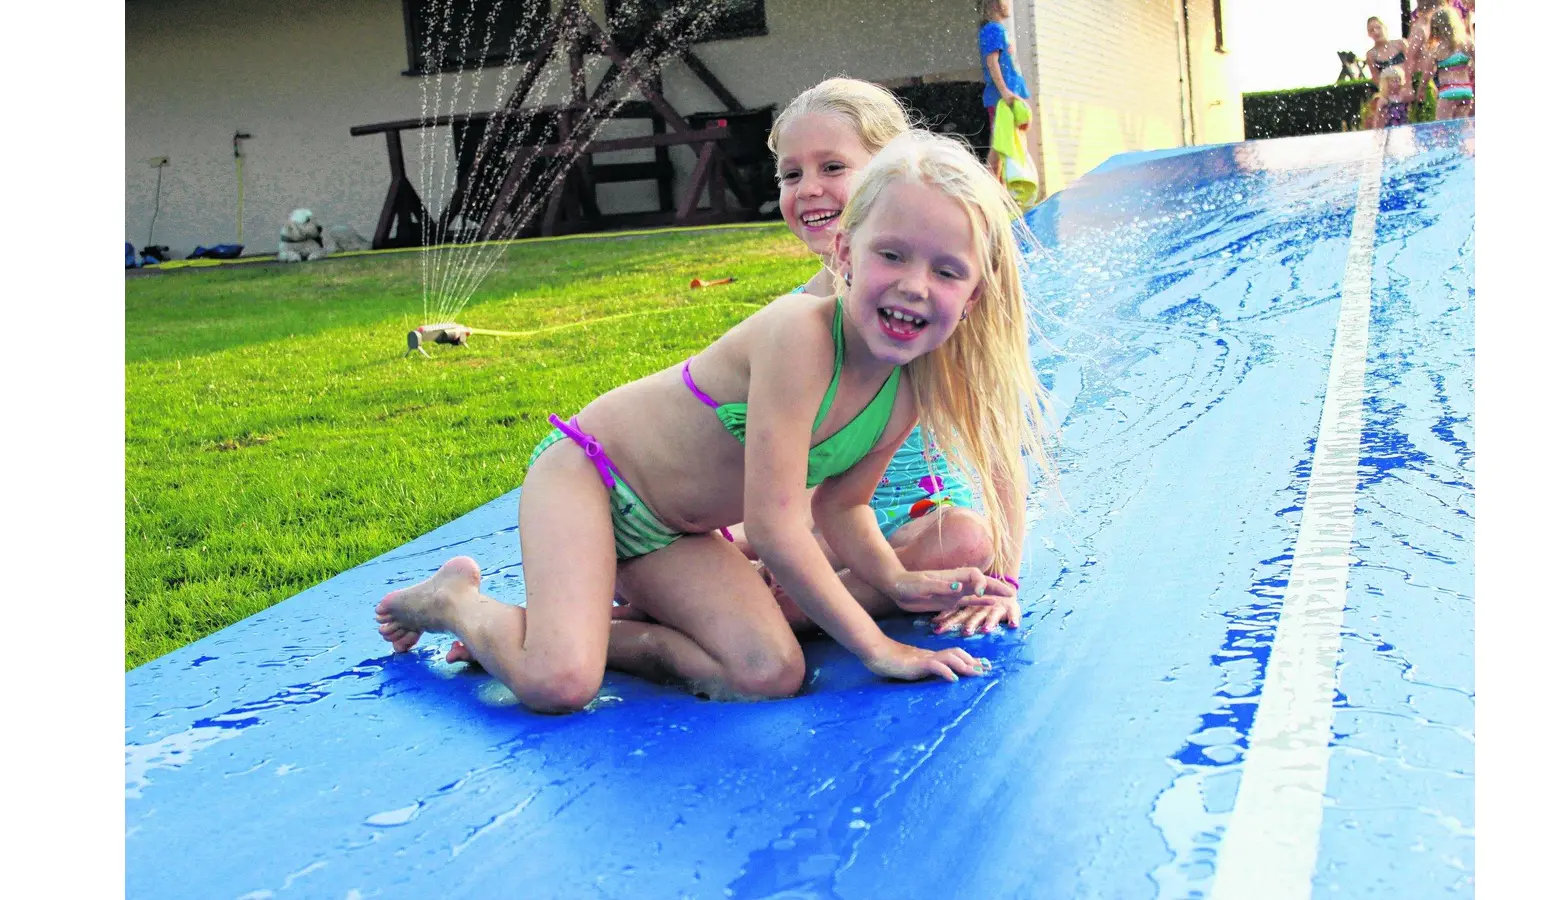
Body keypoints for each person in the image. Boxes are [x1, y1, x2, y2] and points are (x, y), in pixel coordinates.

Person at [376, 129, 1050, 713]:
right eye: (892, 255)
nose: (914, 285)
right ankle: (455, 601)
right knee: (559, 683)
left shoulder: (904, 388)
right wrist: (877, 646)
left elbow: (846, 509)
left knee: (768, 674)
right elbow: (776, 527)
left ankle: (599, 635)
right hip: (592, 478)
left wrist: (897, 580)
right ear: (845, 253)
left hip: (675, 533)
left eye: (946, 270)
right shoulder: (801, 337)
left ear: (974, 295)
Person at [695, 78, 1024, 641]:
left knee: (967, 541)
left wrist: (1002, 583)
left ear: (891, 175)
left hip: (921, 521)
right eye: (792, 174)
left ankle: (776, 601)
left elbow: (999, 454)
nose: (809, 190)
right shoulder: (798, 320)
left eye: (832, 168)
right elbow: (791, 467)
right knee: (705, 522)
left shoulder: (934, 310)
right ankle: (750, 591)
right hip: (829, 520)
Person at [979, 0, 1031, 179]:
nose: (1009, 3)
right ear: (995, 3)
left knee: (1009, 143)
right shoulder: (992, 30)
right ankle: (992, 187)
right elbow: (992, 63)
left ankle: (1004, 186)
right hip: (1001, 99)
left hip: (1010, 97)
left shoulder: (1000, 30)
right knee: (1000, 145)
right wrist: (1004, 92)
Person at [1419, 5, 1474, 119]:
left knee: (1443, 129)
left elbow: (1427, 73)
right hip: (1466, 91)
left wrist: (1422, 88)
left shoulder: (1437, 49)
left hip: (1448, 91)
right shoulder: (1467, 43)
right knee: (1461, 128)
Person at [1361, 16, 1410, 130]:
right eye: (1371, 30)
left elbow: (1411, 66)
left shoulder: (1400, 44)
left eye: (1378, 27)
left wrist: (1407, 87)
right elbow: (1376, 78)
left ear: (1385, 27)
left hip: (1406, 88)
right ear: (1369, 34)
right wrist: (1388, 93)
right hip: (1389, 94)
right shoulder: (1371, 55)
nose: (1376, 32)